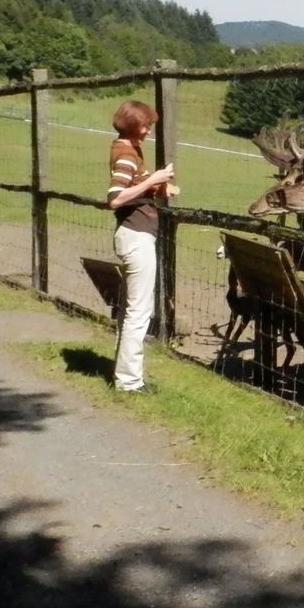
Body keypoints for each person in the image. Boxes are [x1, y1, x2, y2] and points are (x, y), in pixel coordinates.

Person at [106, 100, 175, 393]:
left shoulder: (127, 148)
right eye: (145, 125)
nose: (148, 131)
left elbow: (133, 186)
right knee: (138, 313)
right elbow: (115, 197)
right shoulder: (126, 154)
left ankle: (125, 375)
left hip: (131, 235)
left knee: (129, 312)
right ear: (132, 125)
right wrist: (157, 178)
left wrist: (157, 186)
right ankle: (130, 382)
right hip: (137, 237)